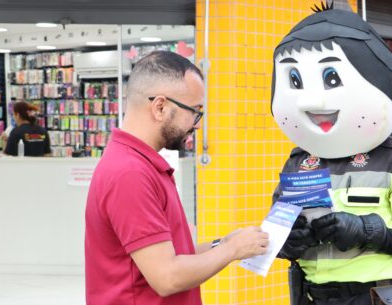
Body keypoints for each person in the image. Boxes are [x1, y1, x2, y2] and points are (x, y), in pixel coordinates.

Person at [271, 4, 392, 305]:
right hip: (310, 296)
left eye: (331, 78)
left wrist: (366, 230)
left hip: (370, 296)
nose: (312, 100)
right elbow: (275, 233)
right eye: (295, 81)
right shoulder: (299, 162)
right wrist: (287, 242)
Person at [84, 51, 269, 305]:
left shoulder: (142, 165)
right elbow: (167, 277)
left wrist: (223, 243)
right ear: (160, 107)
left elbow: (172, 255)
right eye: (195, 111)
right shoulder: (130, 173)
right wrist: (232, 250)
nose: (198, 124)